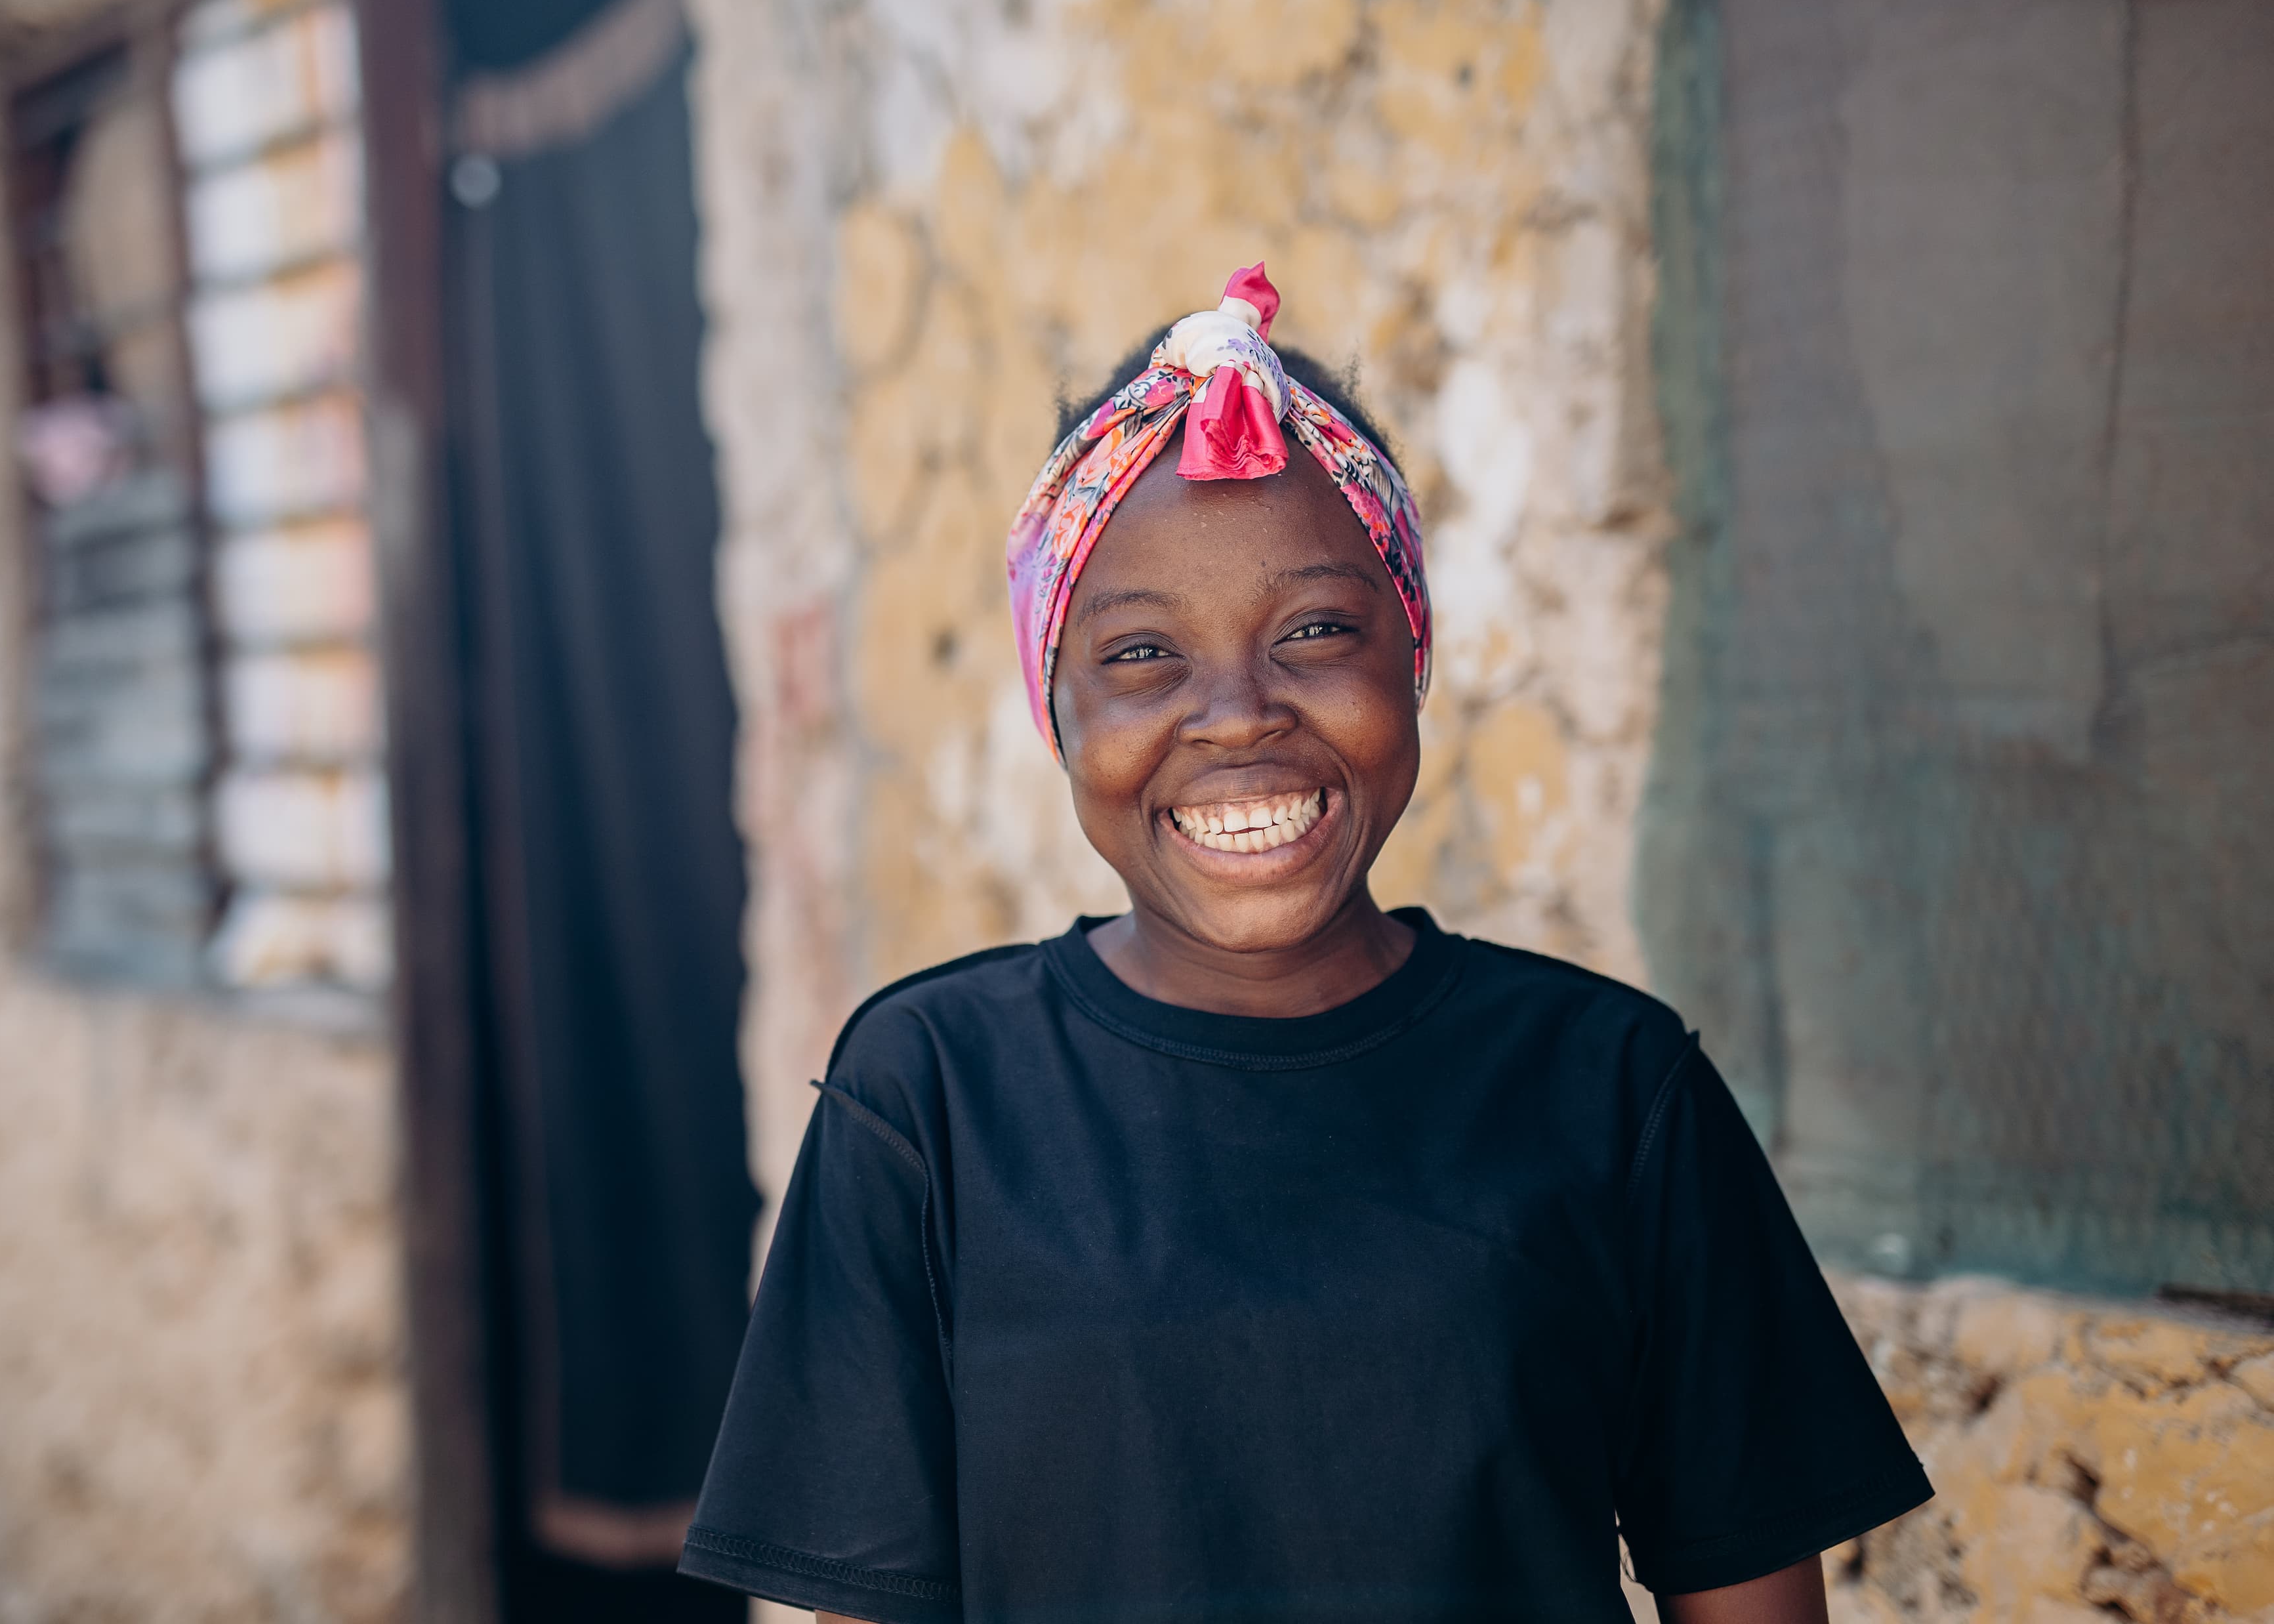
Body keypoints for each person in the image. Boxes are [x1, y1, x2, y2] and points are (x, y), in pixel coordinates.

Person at [679, 267, 1930, 1623]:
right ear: (1061, 712)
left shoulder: (1614, 1089)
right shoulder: (930, 1097)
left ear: (1412, 657)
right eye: (1144, 652)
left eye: (1317, 630)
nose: (1236, 713)